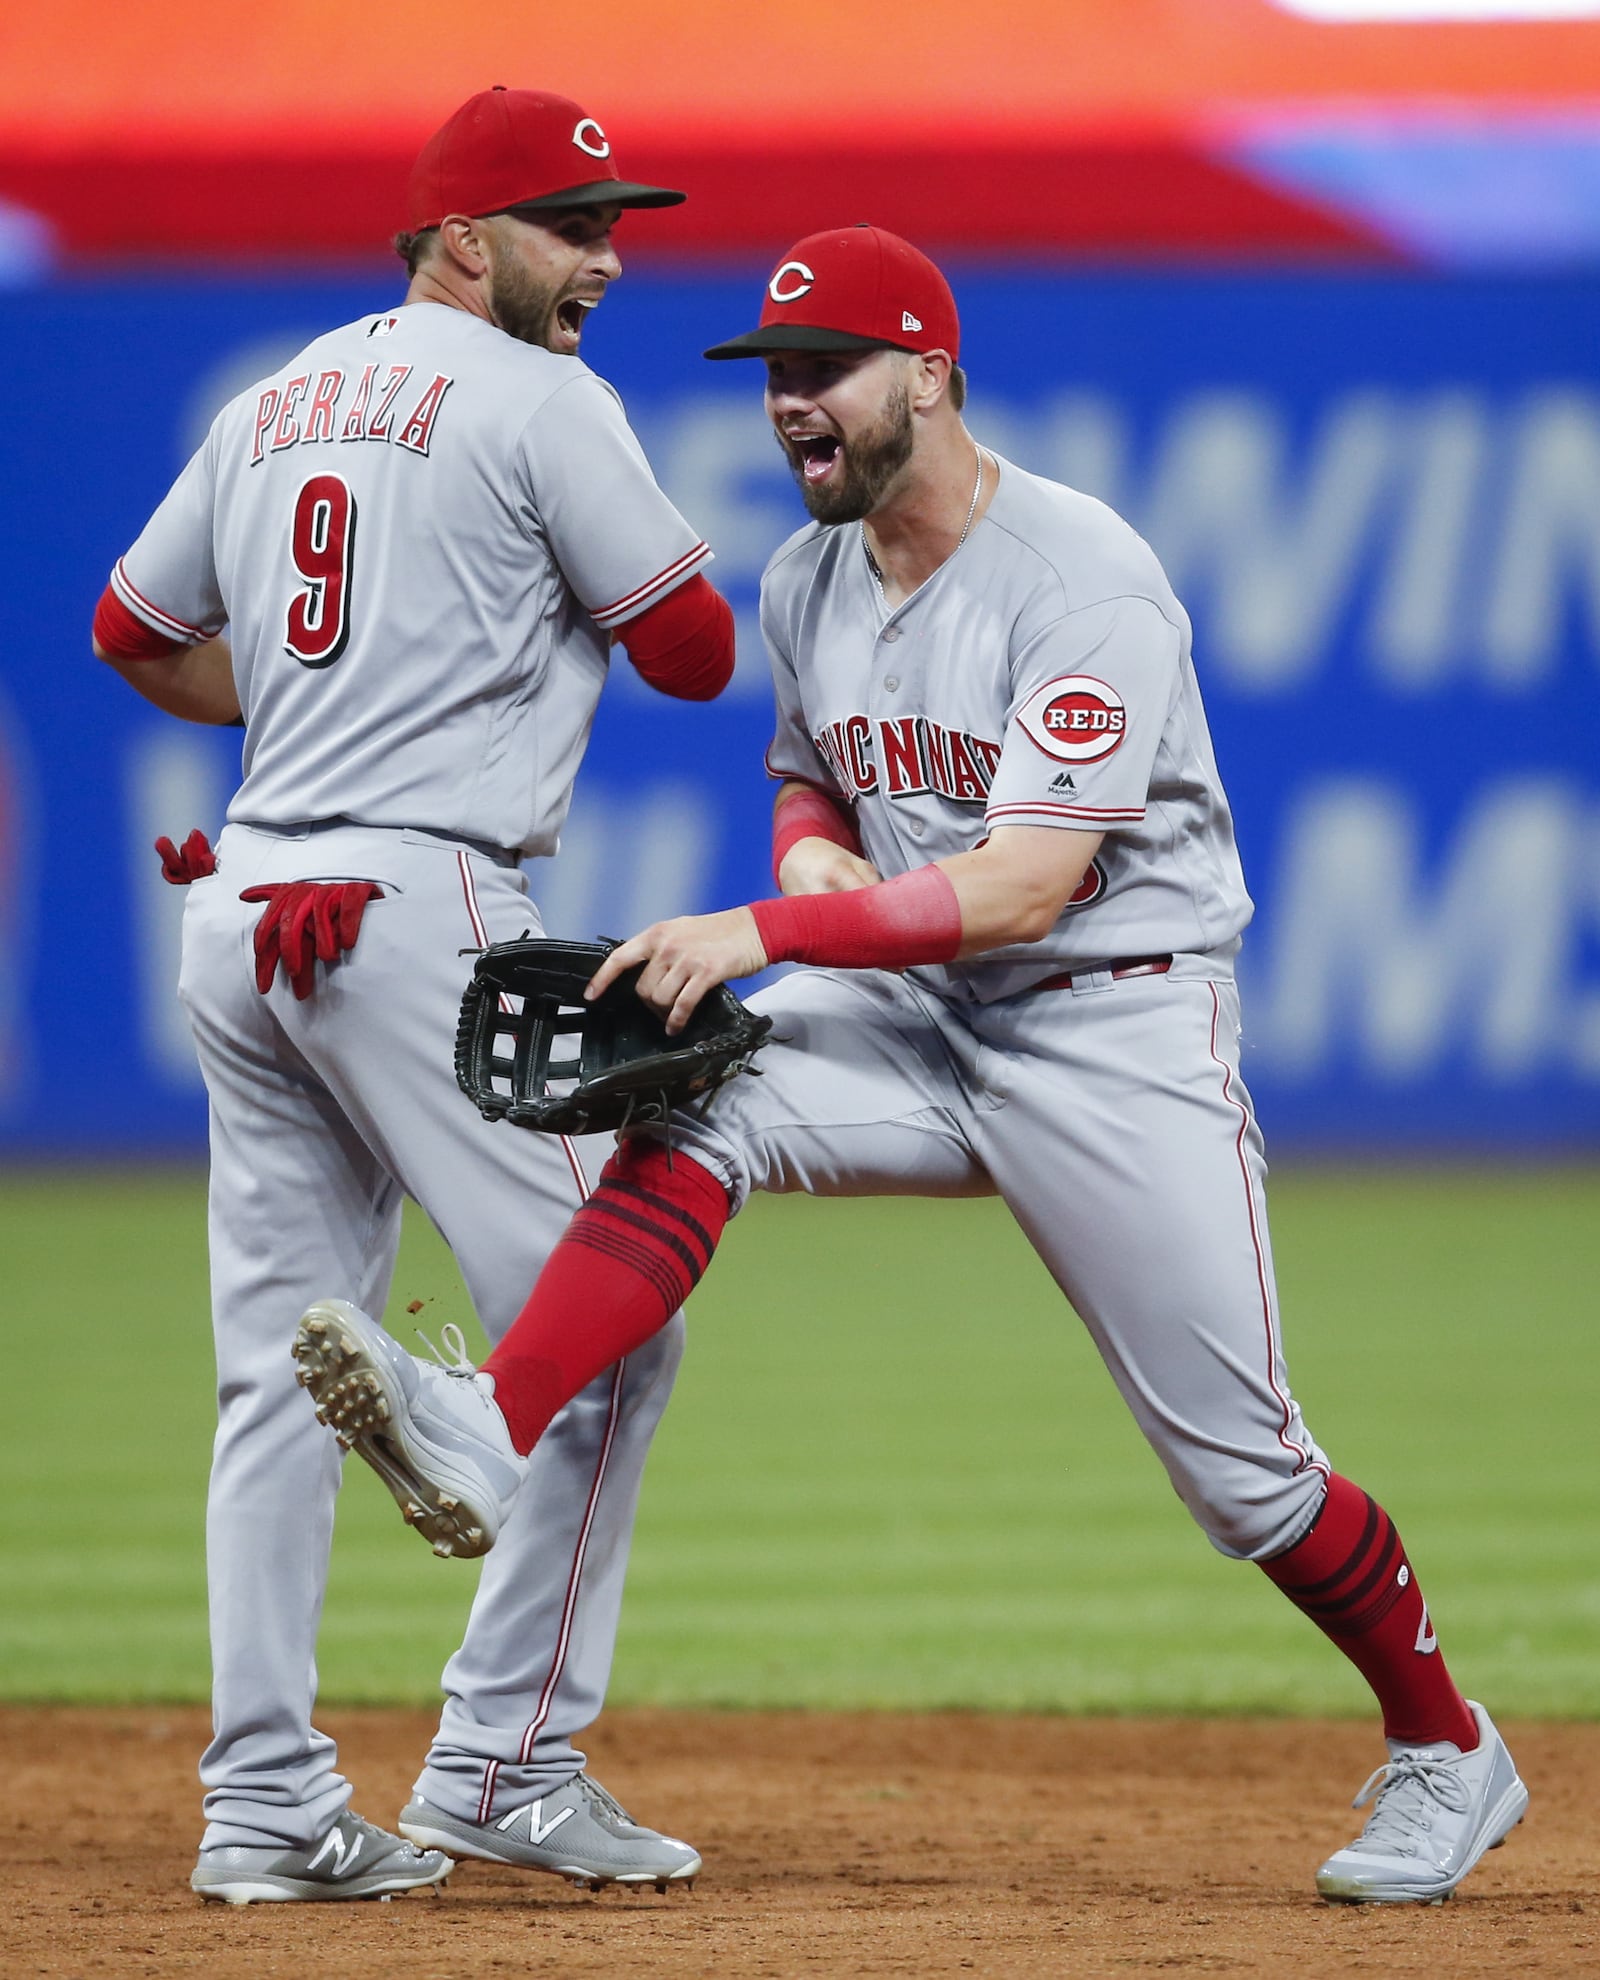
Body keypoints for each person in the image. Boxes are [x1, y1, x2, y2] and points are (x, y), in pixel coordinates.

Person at [295, 223, 1529, 1909]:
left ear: (932, 378)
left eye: (827, 371)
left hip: (1114, 1028)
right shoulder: (807, 575)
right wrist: (809, 861)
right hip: (928, 1019)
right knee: (700, 1094)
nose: (791, 404)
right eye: (775, 377)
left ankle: (1448, 1747)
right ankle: (484, 1424)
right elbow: (810, 772)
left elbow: (1029, 886)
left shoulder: (1081, 579)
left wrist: (770, 928)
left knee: (1246, 1475)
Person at [92, 86, 734, 1905]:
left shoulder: (274, 397)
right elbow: (693, 652)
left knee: (268, 1386)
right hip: (414, 903)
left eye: (616, 227)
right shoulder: (546, 398)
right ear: (465, 241)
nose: (607, 259)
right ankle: (506, 1756)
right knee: (613, 1327)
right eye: (572, 227)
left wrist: (307, 711)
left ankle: (264, 1808)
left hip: (246, 898)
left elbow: (127, 633)